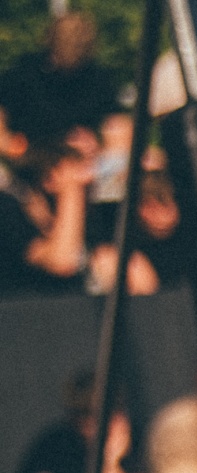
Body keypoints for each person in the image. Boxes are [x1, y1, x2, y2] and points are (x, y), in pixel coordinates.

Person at [0, 13, 117, 149]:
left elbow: (114, 122)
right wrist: (7, 142)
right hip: (29, 153)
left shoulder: (97, 79)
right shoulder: (25, 73)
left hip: (79, 156)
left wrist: (97, 141)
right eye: (68, 41)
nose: (75, 44)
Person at [0, 145, 91, 295]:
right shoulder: (8, 211)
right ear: (51, 178)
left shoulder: (91, 218)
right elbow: (62, 261)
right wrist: (71, 189)